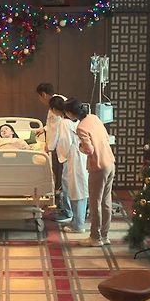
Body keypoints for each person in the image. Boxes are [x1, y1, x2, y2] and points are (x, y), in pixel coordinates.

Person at [72, 98, 115, 247]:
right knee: (106, 202)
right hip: (110, 162)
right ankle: (105, 235)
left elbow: (89, 150)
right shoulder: (94, 118)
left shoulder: (81, 127)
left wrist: (80, 147)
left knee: (95, 202)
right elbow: (105, 137)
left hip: (98, 166)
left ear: (71, 113)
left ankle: (95, 237)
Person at [50, 96, 89, 233]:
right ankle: (77, 220)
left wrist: (63, 156)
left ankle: (78, 225)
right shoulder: (81, 121)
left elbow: (65, 142)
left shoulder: (65, 123)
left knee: (76, 191)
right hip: (80, 156)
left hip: (73, 157)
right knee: (79, 190)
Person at [35, 82, 71, 221]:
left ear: (43, 95)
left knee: (68, 181)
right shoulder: (59, 100)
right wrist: (43, 129)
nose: (40, 100)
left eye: (39, 97)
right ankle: (69, 209)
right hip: (67, 147)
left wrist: (48, 147)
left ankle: (69, 212)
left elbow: (55, 129)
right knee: (68, 180)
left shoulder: (55, 107)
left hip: (68, 148)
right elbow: (52, 125)